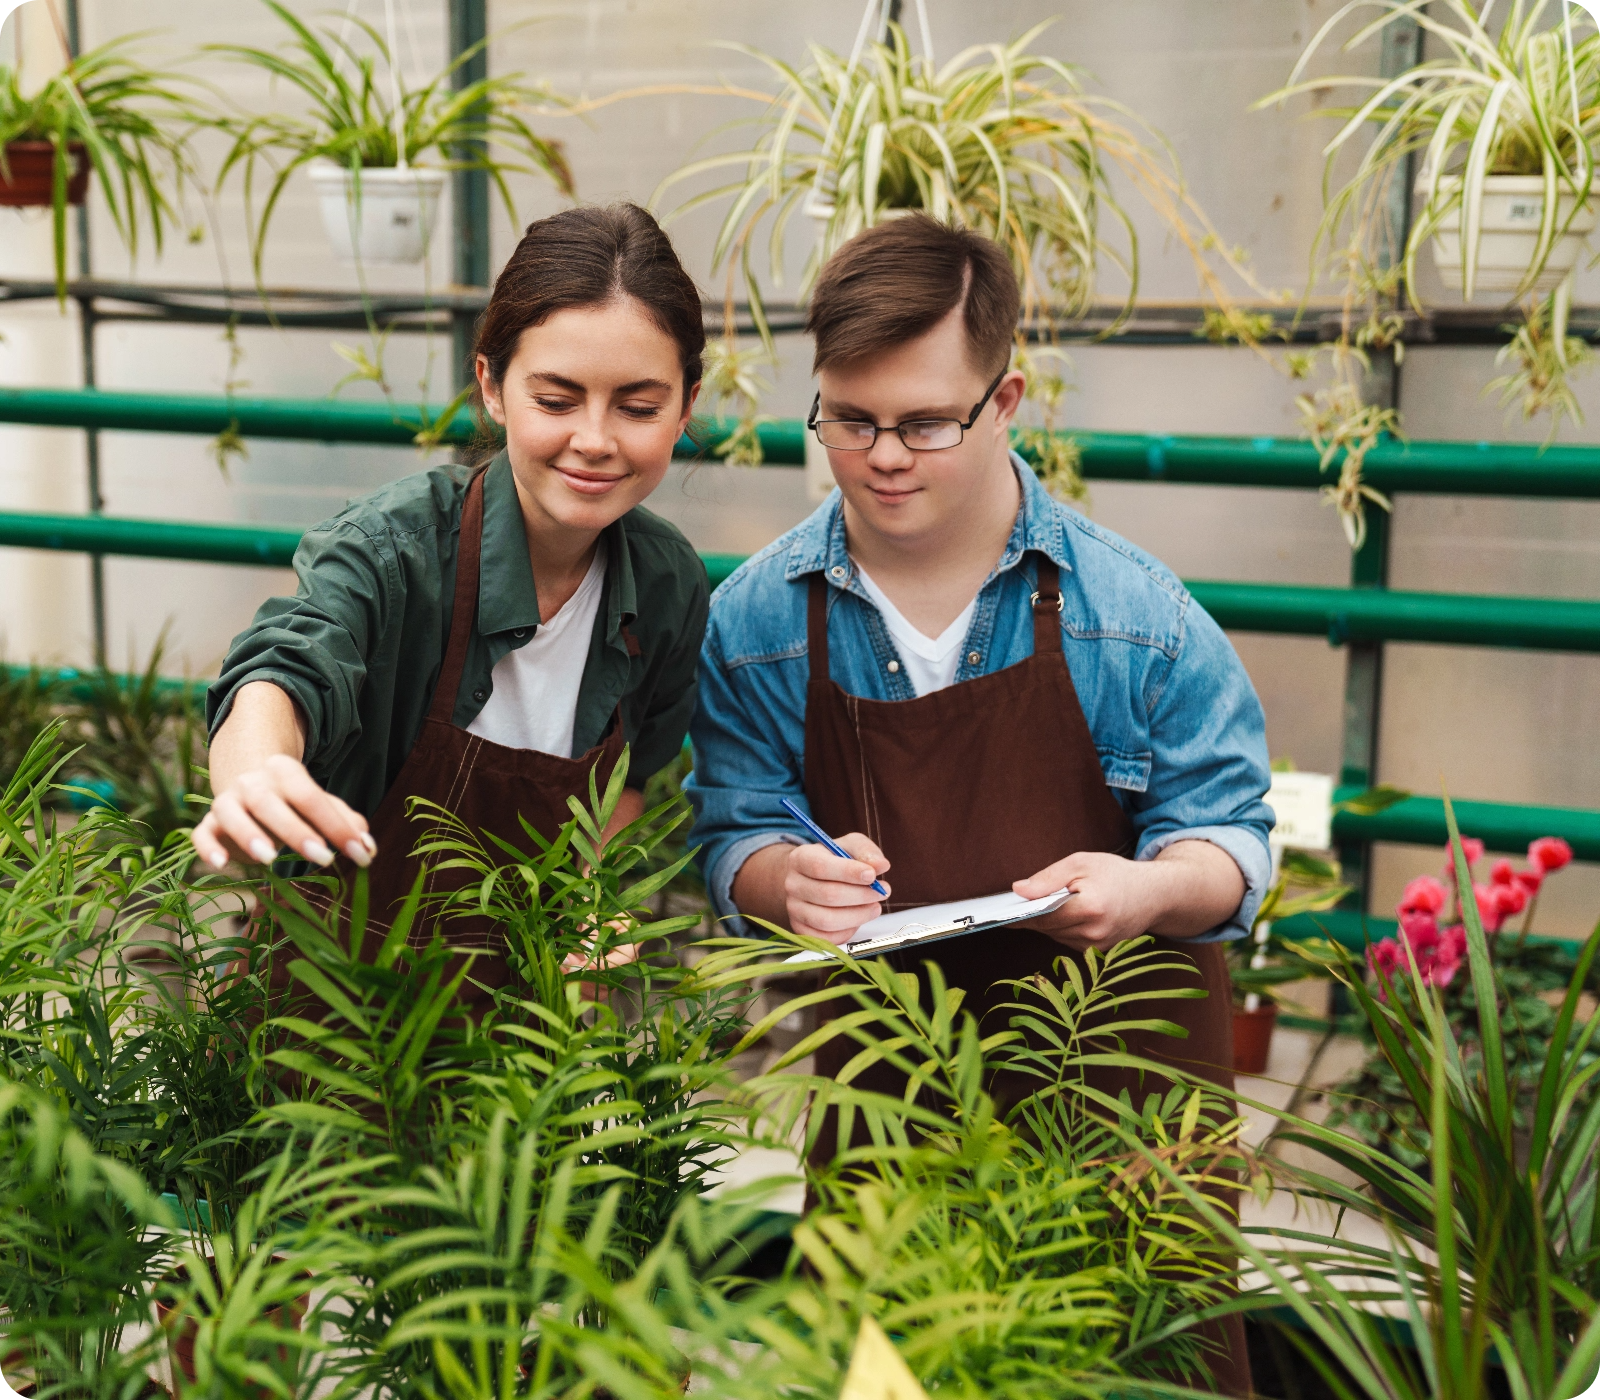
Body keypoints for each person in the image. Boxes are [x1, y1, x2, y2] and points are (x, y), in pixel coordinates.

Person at [684, 214, 1270, 1396]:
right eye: (849, 418)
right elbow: (731, 822)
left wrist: (1148, 885)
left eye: (923, 422)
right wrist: (775, 877)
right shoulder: (754, 619)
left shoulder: (1133, 614)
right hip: (888, 1109)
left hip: (1122, 1118)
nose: (882, 454)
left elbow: (1234, 839)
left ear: (1007, 398)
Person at [194, 203, 710, 994]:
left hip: (526, 1041)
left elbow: (629, 780)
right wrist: (256, 772)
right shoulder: (393, 550)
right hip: (333, 1019)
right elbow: (286, 664)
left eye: (638, 407)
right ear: (493, 387)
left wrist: (593, 902)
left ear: (685, 407)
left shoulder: (668, 585)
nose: (597, 439)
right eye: (556, 400)